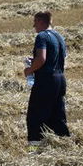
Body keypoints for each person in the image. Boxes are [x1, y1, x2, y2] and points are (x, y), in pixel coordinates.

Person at [23, 10, 70, 147]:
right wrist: (36, 59)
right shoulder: (59, 36)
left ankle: (35, 146)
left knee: (35, 115)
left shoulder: (42, 36)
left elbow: (42, 58)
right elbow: (61, 57)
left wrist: (29, 70)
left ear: (41, 22)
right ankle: (64, 144)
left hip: (46, 80)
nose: (34, 26)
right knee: (57, 114)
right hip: (60, 78)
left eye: (35, 22)